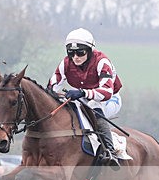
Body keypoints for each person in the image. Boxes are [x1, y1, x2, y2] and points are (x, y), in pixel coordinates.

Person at [48, 28, 122, 169]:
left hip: (109, 99)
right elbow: (52, 86)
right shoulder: (66, 63)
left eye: (80, 52)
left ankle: (110, 152)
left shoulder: (102, 62)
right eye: (71, 52)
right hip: (84, 98)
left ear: (90, 50)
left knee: (94, 107)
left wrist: (83, 93)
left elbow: (106, 92)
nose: (75, 57)